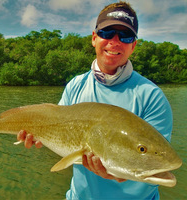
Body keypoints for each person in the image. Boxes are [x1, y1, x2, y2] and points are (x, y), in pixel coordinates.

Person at [18, 1, 173, 199]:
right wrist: (38, 137)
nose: (114, 42)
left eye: (125, 36)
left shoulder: (152, 97)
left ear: (133, 45)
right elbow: (57, 134)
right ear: (94, 38)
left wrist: (118, 175)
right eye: (107, 33)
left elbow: (152, 162)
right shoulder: (75, 85)